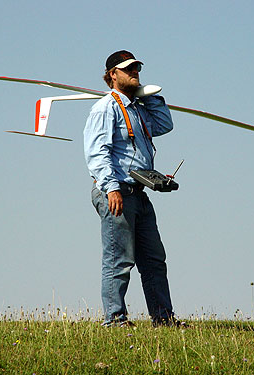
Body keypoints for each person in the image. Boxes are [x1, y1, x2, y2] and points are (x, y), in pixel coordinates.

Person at [83, 50, 180, 327]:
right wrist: (111, 187)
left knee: (154, 260)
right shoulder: (106, 107)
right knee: (119, 260)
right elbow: (97, 152)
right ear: (113, 74)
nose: (135, 72)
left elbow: (164, 124)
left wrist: (149, 96)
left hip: (138, 192)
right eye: (128, 69)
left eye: (137, 68)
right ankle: (115, 320)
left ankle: (163, 319)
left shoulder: (137, 109)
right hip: (116, 193)